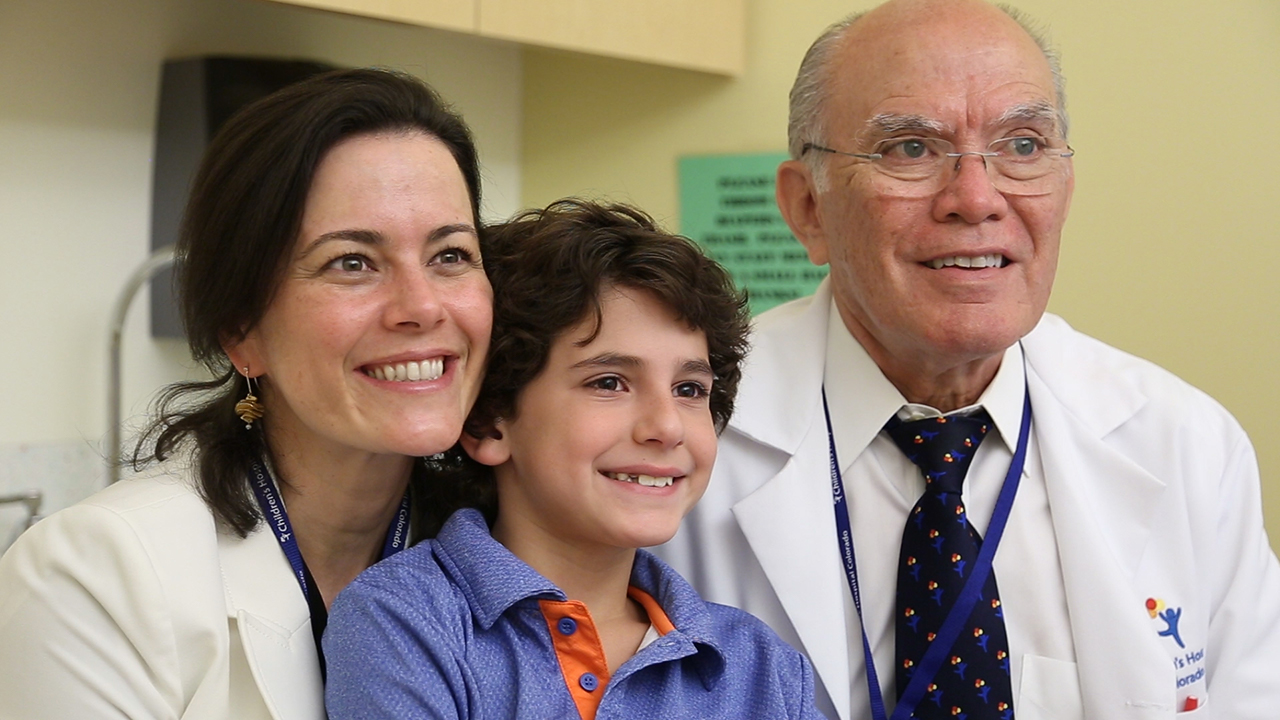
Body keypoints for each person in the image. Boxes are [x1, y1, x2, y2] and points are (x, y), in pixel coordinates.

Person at [654, 1, 1280, 719]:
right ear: (807, 209)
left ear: (1066, 186)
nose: (977, 199)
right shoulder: (675, 440)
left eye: (1023, 145)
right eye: (910, 149)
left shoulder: (1188, 445)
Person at [0, 68, 492, 719]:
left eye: (451, 255)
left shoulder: (498, 549)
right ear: (242, 331)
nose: (423, 307)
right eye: (352, 262)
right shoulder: (99, 579)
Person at [323, 200, 825, 720]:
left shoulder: (762, 666)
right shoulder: (405, 620)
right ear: (489, 422)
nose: (667, 426)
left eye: (689, 389)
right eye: (609, 383)